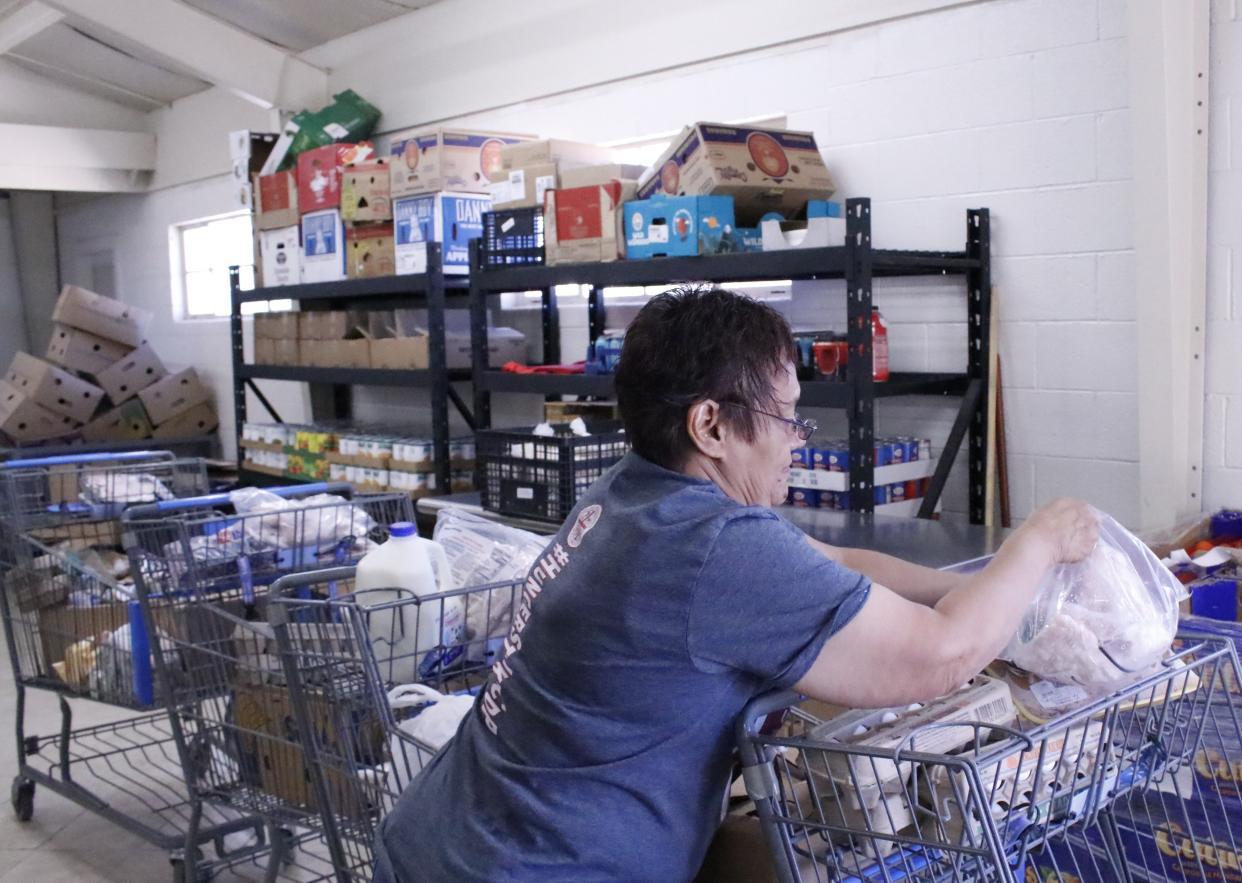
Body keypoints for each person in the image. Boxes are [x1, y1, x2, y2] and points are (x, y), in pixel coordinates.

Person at [373, 286, 1098, 883]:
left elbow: (835, 566)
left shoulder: (637, 495)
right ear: (711, 425)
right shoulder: (711, 547)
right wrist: (1035, 543)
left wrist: (969, 588)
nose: (796, 439)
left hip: (451, 842)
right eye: (786, 418)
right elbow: (941, 656)